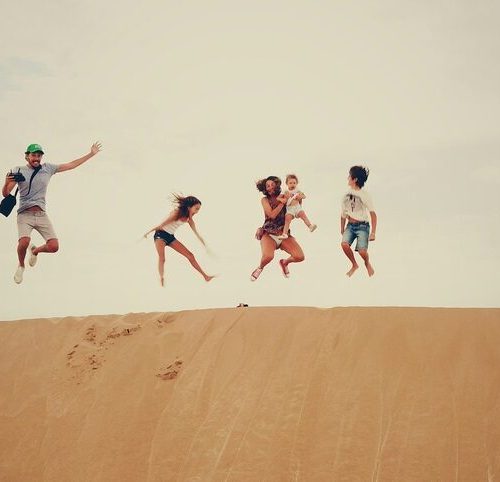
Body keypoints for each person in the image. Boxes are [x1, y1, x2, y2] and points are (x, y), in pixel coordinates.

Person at [2, 142, 102, 284]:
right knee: (24, 241)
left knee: (54, 247)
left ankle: (35, 251)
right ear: (27, 157)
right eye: (33, 155)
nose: (36, 158)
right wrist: (6, 182)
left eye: (39, 155)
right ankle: (21, 265)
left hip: (41, 214)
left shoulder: (48, 168)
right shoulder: (18, 170)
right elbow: (6, 194)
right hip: (24, 214)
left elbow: (71, 165)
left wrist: (91, 154)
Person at [143, 194, 215, 286]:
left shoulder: (189, 219)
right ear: (189, 207)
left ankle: (206, 277)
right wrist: (148, 232)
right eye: (196, 209)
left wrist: (204, 244)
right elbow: (161, 225)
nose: (197, 212)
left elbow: (197, 234)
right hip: (160, 235)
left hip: (170, 237)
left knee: (190, 256)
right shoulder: (177, 213)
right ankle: (161, 277)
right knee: (162, 258)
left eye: (199, 209)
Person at [250, 175, 305, 281]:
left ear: (277, 186)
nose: (270, 187)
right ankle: (260, 267)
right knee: (268, 257)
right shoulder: (265, 200)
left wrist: (298, 199)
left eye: (272, 185)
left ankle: (284, 263)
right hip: (269, 234)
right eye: (267, 186)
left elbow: (295, 209)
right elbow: (271, 215)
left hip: (283, 234)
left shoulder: (284, 195)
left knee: (300, 257)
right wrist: (281, 203)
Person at [340, 165, 377, 277]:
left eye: (349, 176)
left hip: (363, 226)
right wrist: (342, 228)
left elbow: (373, 214)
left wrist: (373, 232)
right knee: (344, 245)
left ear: (354, 179)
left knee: (362, 252)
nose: (347, 178)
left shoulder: (364, 195)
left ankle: (366, 262)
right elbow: (343, 214)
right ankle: (354, 264)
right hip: (350, 225)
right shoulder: (346, 195)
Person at [277, 173, 317, 239]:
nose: (292, 184)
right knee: (287, 219)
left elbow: (304, 196)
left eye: (294, 183)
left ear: (297, 183)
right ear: (287, 183)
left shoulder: (297, 190)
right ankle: (284, 234)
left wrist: (300, 196)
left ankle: (310, 226)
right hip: (290, 208)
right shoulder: (285, 191)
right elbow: (278, 198)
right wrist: (282, 200)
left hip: (297, 207)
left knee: (303, 214)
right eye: (290, 183)